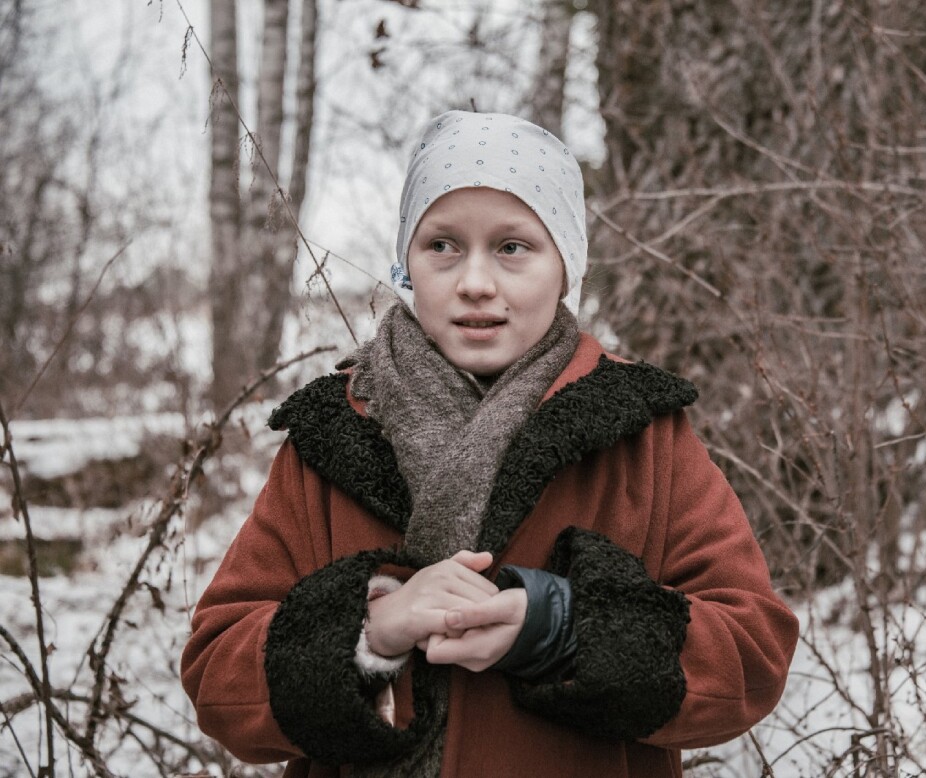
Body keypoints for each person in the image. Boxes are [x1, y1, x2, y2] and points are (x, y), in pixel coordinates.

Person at [181, 109, 799, 778]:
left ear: (565, 267)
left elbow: (752, 655)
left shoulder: (641, 434)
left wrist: (564, 629)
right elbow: (217, 674)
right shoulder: (331, 433)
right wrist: (371, 629)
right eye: (442, 245)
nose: (475, 282)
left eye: (512, 247)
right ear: (408, 262)